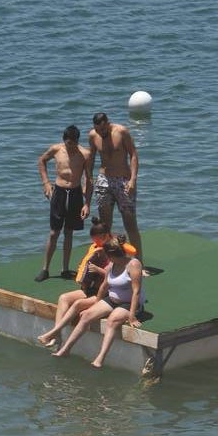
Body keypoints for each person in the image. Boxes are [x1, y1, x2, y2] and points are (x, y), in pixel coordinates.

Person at [52, 237, 146, 368]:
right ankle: (66, 349)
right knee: (86, 315)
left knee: (112, 320)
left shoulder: (134, 265)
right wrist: (96, 303)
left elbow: (136, 291)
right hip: (112, 300)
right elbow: (104, 286)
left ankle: (100, 358)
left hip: (129, 303)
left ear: (111, 254)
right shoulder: (112, 264)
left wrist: (132, 315)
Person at [35, 125, 93, 282]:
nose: (71, 147)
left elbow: (88, 179)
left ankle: (65, 269)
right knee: (54, 233)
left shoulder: (85, 154)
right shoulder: (56, 149)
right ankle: (45, 269)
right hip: (59, 193)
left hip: (75, 194)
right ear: (64, 141)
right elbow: (41, 161)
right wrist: (46, 183)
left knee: (69, 232)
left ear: (77, 141)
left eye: (74, 144)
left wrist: (87, 203)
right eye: (68, 144)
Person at [88, 111, 144, 267]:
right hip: (103, 180)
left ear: (108, 123)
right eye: (99, 130)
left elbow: (133, 154)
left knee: (130, 222)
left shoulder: (121, 132)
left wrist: (133, 179)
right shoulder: (93, 136)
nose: (102, 133)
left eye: (104, 130)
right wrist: (88, 178)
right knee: (104, 225)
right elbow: (91, 157)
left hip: (123, 180)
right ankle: (108, 262)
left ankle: (139, 263)